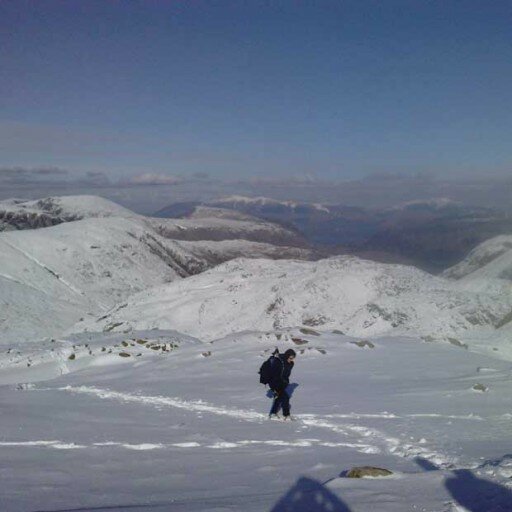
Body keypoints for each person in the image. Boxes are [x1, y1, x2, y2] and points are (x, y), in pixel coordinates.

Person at [268, 348, 296, 420]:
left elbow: (286, 374)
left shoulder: (290, 364)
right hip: (276, 383)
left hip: (283, 384)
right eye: (290, 358)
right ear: (287, 356)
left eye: (293, 358)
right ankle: (286, 415)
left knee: (278, 399)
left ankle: (273, 414)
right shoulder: (280, 361)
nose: (291, 359)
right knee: (285, 398)